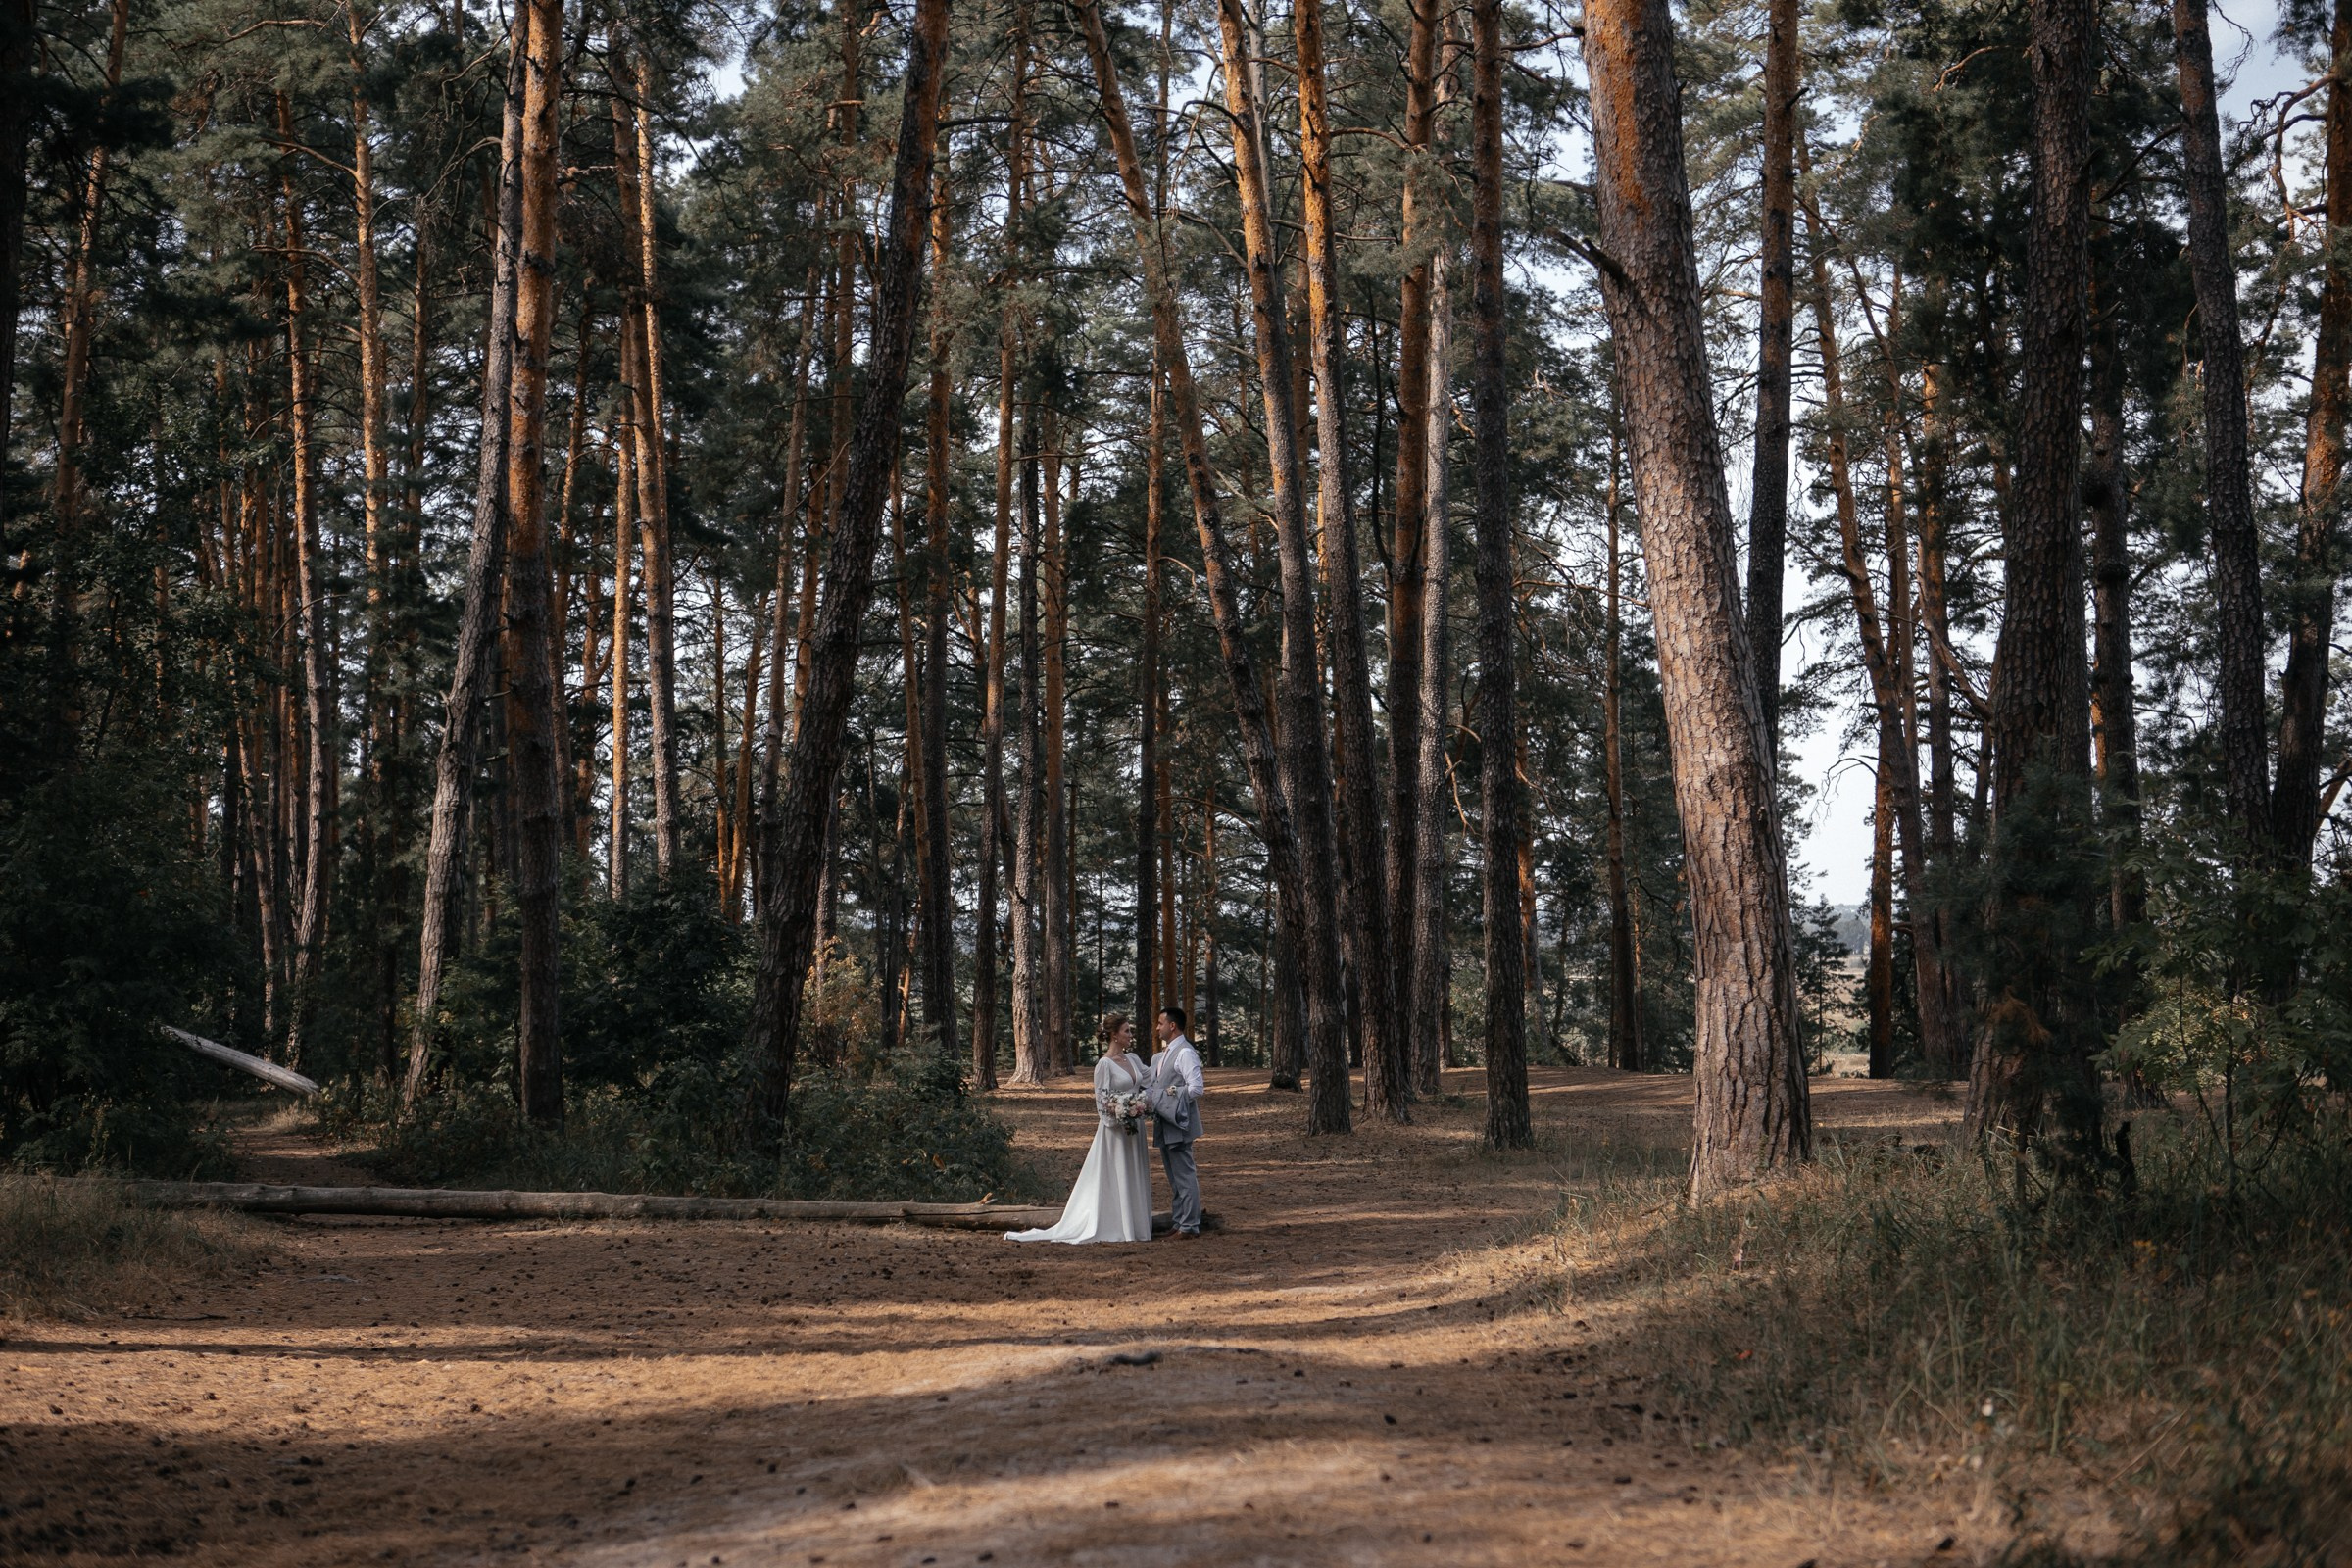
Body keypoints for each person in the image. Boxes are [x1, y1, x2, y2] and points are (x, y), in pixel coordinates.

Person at [1004, 1014, 1154, 1245]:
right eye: (1126, 1031)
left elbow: (1151, 1078)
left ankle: (1134, 1224)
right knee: (1118, 1174)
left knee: (1134, 1173)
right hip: (1115, 1132)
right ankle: (1118, 1225)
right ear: (1114, 1035)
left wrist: (1140, 1105)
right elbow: (1102, 1104)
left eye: (1130, 1031)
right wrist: (1122, 1112)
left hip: (1135, 1129)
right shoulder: (1104, 1065)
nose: (1130, 1035)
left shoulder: (1133, 1059)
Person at [1148, 1005, 1204, 1237]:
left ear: (1172, 1026)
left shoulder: (1185, 1053)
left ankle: (1190, 1225)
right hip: (1166, 1122)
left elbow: (1196, 1089)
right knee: (1174, 1176)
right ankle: (1179, 1221)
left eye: (1161, 1023)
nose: (1157, 1027)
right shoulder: (1164, 1054)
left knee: (1184, 1173)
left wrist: (1169, 1098)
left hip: (1179, 1122)